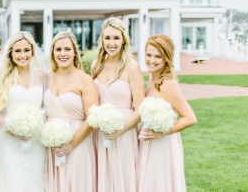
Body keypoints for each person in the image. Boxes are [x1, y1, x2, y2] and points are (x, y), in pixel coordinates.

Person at [137, 34, 197, 192]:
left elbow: (190, 118)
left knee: (157, 183)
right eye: (148, 55)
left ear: (166, 59)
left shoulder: (167, 84)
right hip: (147, 141)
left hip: (161, 144)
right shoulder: (151, 78)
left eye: (158, 56)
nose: (151, 60)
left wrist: (163, 133)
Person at [91, 17, 145, 192]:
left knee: (123, 178)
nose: (111, 43)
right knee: (103, 178)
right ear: (102, 40)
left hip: (124, 134)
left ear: (124, 40)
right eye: (107, 38)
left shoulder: (132, 67)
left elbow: (140, 109)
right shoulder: (96, 65)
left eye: (116, 38)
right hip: (100, 133)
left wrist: (118, 130)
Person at [44, 31, 99, 192]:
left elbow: (92, 118)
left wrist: (71, 145)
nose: (62, 54)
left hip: (77, 143)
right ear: (52, 52)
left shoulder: (85, 79)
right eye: (58, 49)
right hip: (51, 143)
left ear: (75, 52)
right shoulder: (46, 76)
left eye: (67, 49)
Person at [0, 31, 48, 192]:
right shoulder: (3, 76)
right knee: (12, 180)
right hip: (10, 140)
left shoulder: (43, 75)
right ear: (10, 53)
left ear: (32, 51)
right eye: (17, 51)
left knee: (34, 179)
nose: (22, 55)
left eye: (26, 50)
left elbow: (48, 105)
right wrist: (11, 127)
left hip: (36, 139)